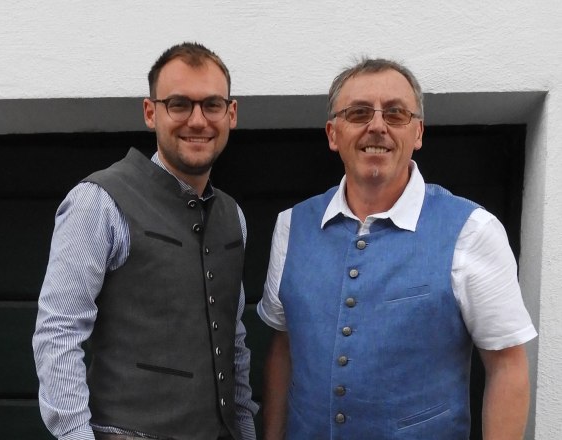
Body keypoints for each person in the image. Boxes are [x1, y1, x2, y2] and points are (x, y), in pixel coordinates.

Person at [258, 58, 537, 439]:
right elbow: (284, 346)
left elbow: (507, 365)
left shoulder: (473, 230)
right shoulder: (292, 226)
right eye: (358, 113)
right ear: (333, 134)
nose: (377, 126)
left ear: (418, 132)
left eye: (396, 113)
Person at [32, 42, 258, 440]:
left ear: (231, 114)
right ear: (151, 113)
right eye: (179, 104)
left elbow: (233, 340)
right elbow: (59, 332)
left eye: (212, 105)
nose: (198, 120)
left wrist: (245, 430)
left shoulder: (232, 216)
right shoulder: (99, 201)